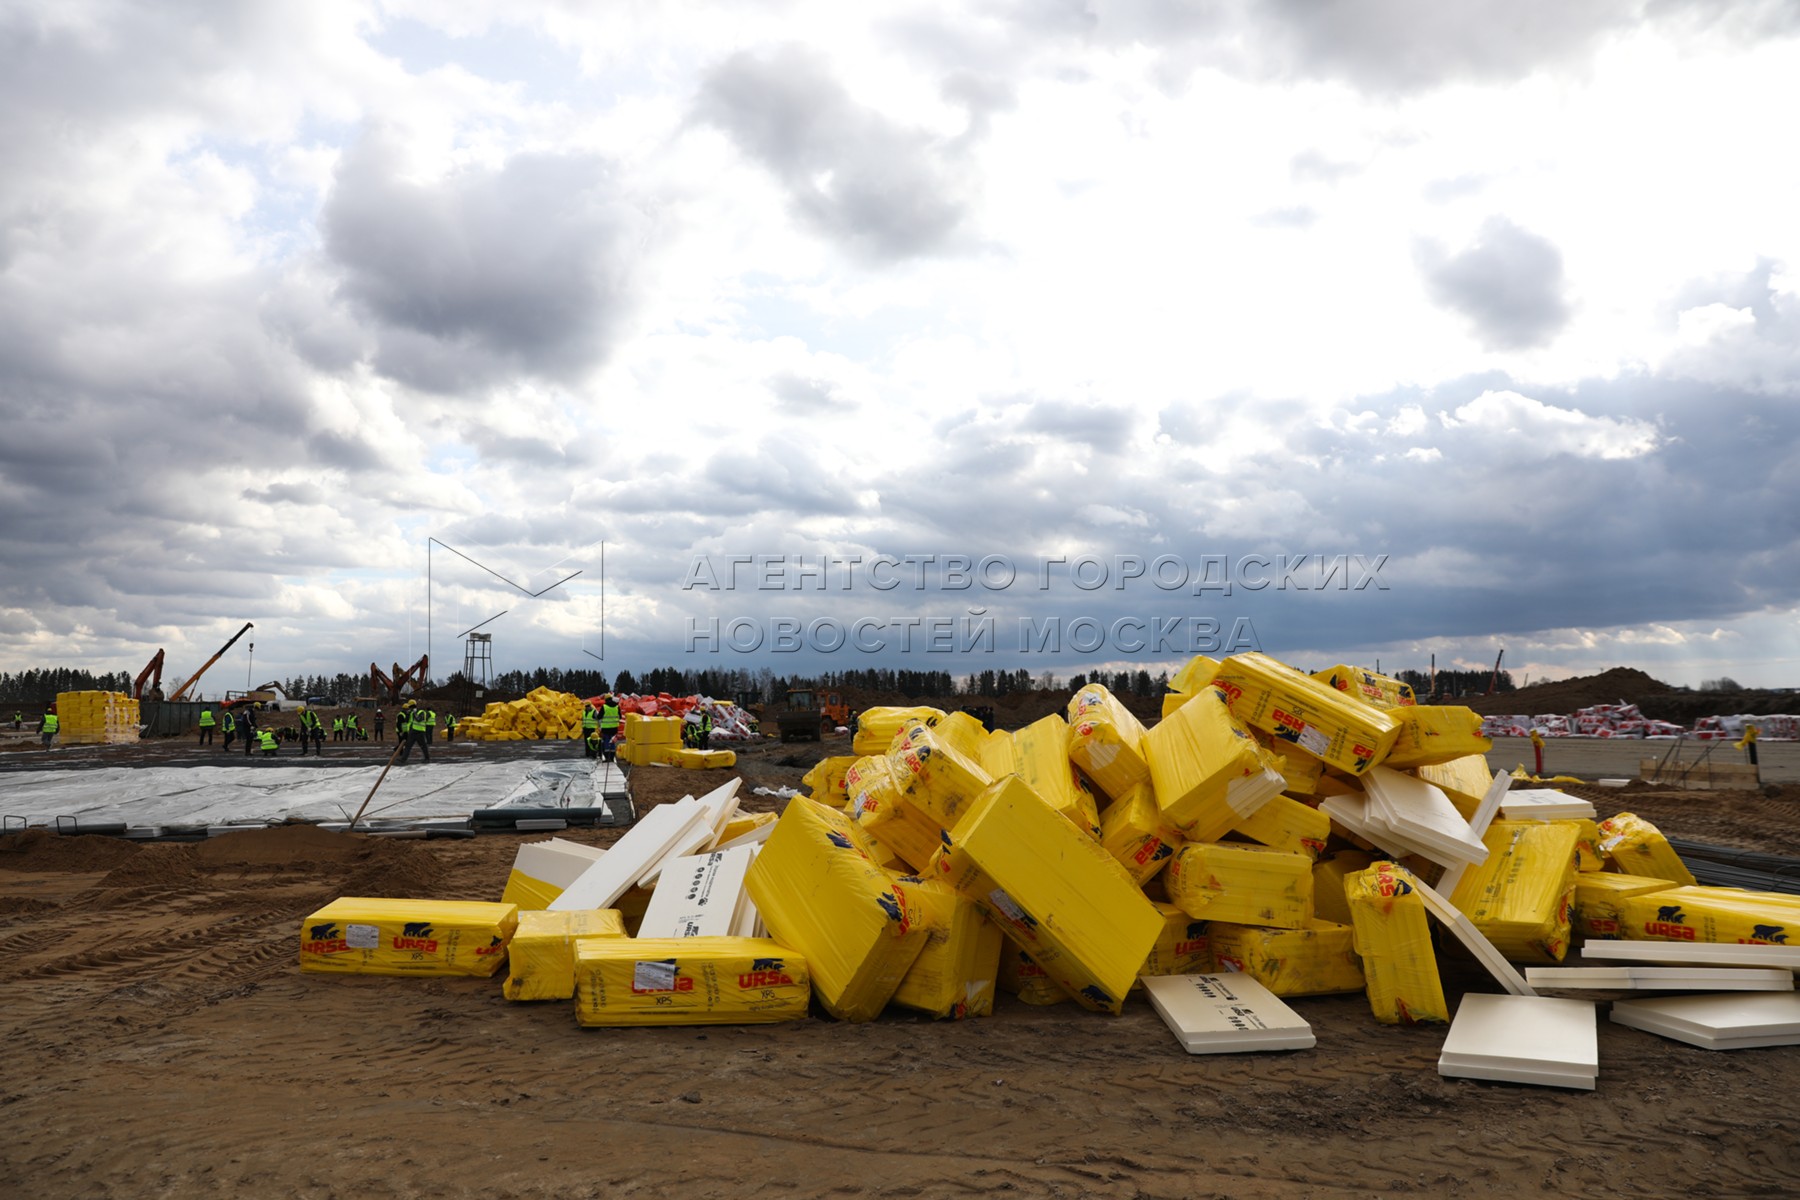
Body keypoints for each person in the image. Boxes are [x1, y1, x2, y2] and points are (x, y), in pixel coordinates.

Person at [598, 694, 621, 763]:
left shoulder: (604, 707)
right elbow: (620, 716)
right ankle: (612, 757)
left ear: (606, 700)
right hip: (614, 728)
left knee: (606, 742)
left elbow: (599, 716)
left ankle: (607, 756)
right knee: (612, 742)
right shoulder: (617, 707)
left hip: (606, 728)